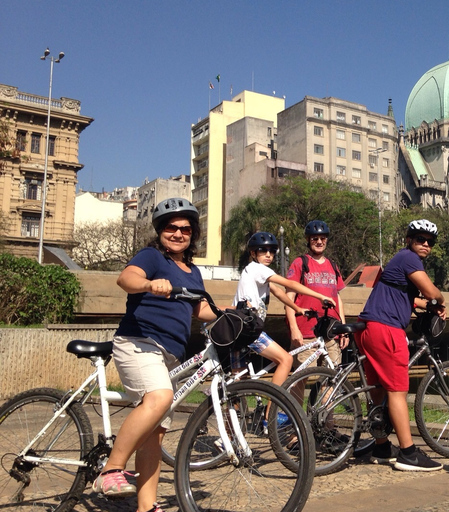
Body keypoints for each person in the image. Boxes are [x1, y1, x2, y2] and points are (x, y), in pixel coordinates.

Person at [92, 198, 218, 512]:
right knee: (159, 398)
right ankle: (110, 471)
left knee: (155, 433)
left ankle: (146, 507)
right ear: (161, 230)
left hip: (170, 354)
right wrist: (150, 284)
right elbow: (126, 278)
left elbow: (201, 308)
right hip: (139, 342)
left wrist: (229, 313)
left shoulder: (192, 271)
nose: (178, 233)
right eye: (171, 227)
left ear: (193, 233)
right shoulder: (152, 257)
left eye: (185, 229)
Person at [354, 219, 447, 472]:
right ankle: (409, 454)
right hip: (386, 329)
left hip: (367, 327)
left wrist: (426, 305)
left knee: (378, 391)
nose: (425, 244)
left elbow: (406, 297)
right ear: (409, 240)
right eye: (420, 239)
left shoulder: (399, 261)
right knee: (397, 390)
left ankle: (382, 447)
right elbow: (430, 291)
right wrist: (439, 300)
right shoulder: (409, 258)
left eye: (430, 242)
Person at [230, 231, 336, 402]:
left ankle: (231, 426)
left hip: (237, 328)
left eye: (272, 251)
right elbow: (290, 284)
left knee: (238, 382)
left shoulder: (252, 271)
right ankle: (270, 414)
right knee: (286, 360)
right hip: (248, 328)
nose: (268, 255)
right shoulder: (259, 269)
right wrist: (320, 296)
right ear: (252, 253)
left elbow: (279, 293)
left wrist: (297, 308)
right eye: (263, 251)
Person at [285, 220, 348, 368]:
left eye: (323, 238)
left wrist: (343, 330)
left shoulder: (333, 265)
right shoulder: (300, 263)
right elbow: (289, 299)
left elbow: (337, 298)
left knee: (333, 377)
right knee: (302, 377)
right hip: (306, 333)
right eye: (315, 238)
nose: (319, 242)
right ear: (308, 240)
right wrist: (294, 329)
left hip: (330, 332)